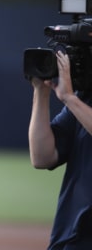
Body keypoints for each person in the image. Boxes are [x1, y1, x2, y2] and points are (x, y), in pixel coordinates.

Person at [28, 50, 92, 250]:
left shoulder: (76, 101)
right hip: (74, 235)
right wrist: (41, 91)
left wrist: (69, 98)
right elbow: (42, 157)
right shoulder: (86, 99)